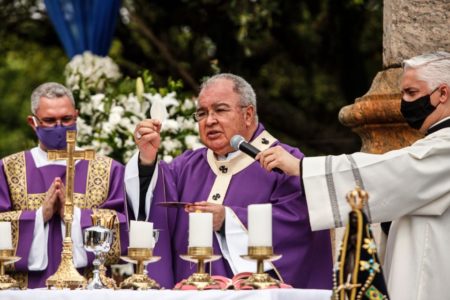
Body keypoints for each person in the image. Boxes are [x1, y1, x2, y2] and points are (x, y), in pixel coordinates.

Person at [256, 51, 450, 299]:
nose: (404, 102)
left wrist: (302, 168)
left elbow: (389, 172)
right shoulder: (435, 143)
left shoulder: (444, 147)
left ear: (442, 93)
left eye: (411, 93)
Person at [126, 73, 333, 289]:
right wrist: (147, 160)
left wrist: (229, 220)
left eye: (220, 110)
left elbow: (299, 225)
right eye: (202, 113)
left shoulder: (285, 163)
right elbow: (153, 206)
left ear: (248, 114)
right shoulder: (186, 166)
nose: (210, 120)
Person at [0, 82, 128, 288]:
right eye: (50, 121)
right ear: (33, 122)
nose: (60, 127)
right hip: (24, 290)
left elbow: (124, 228)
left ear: (76, 116)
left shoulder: (108, 169)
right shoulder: (8, 169)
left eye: (67, 119)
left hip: (90, 289)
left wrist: (74, 215)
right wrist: (41, 215)